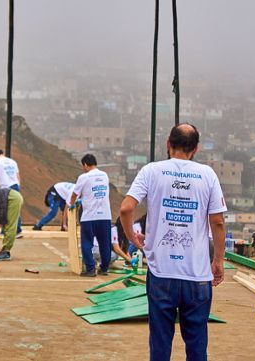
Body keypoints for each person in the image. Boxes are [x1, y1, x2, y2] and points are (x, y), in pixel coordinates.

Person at [120, 123, 226, 361]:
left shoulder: (151, 171)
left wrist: (132, 237)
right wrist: (218, 260)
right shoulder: (207, 175)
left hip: (162, 274)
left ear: (168, 144)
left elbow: (126, 208)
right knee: (197, 345)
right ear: (196, 148)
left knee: (160, 343)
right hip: (197, 275)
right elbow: (217, 222)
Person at [69, 154, 111, 277]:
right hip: (105, 216)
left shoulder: (84, 177)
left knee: (87, 243)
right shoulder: (105, 175)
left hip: (89, 217)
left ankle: (90, 269)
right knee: (105, 243)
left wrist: (72, 205)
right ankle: (104, 269)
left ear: (86, 165)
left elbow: (74, 195)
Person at [0, 149, 22, 237]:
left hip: (6, 188)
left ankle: (8, 231)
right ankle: (17, 230)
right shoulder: (13, 162)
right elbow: (18, 176)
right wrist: (18, 186)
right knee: (15, 209)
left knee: (4, 210)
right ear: (3, 154)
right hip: (15, 186)